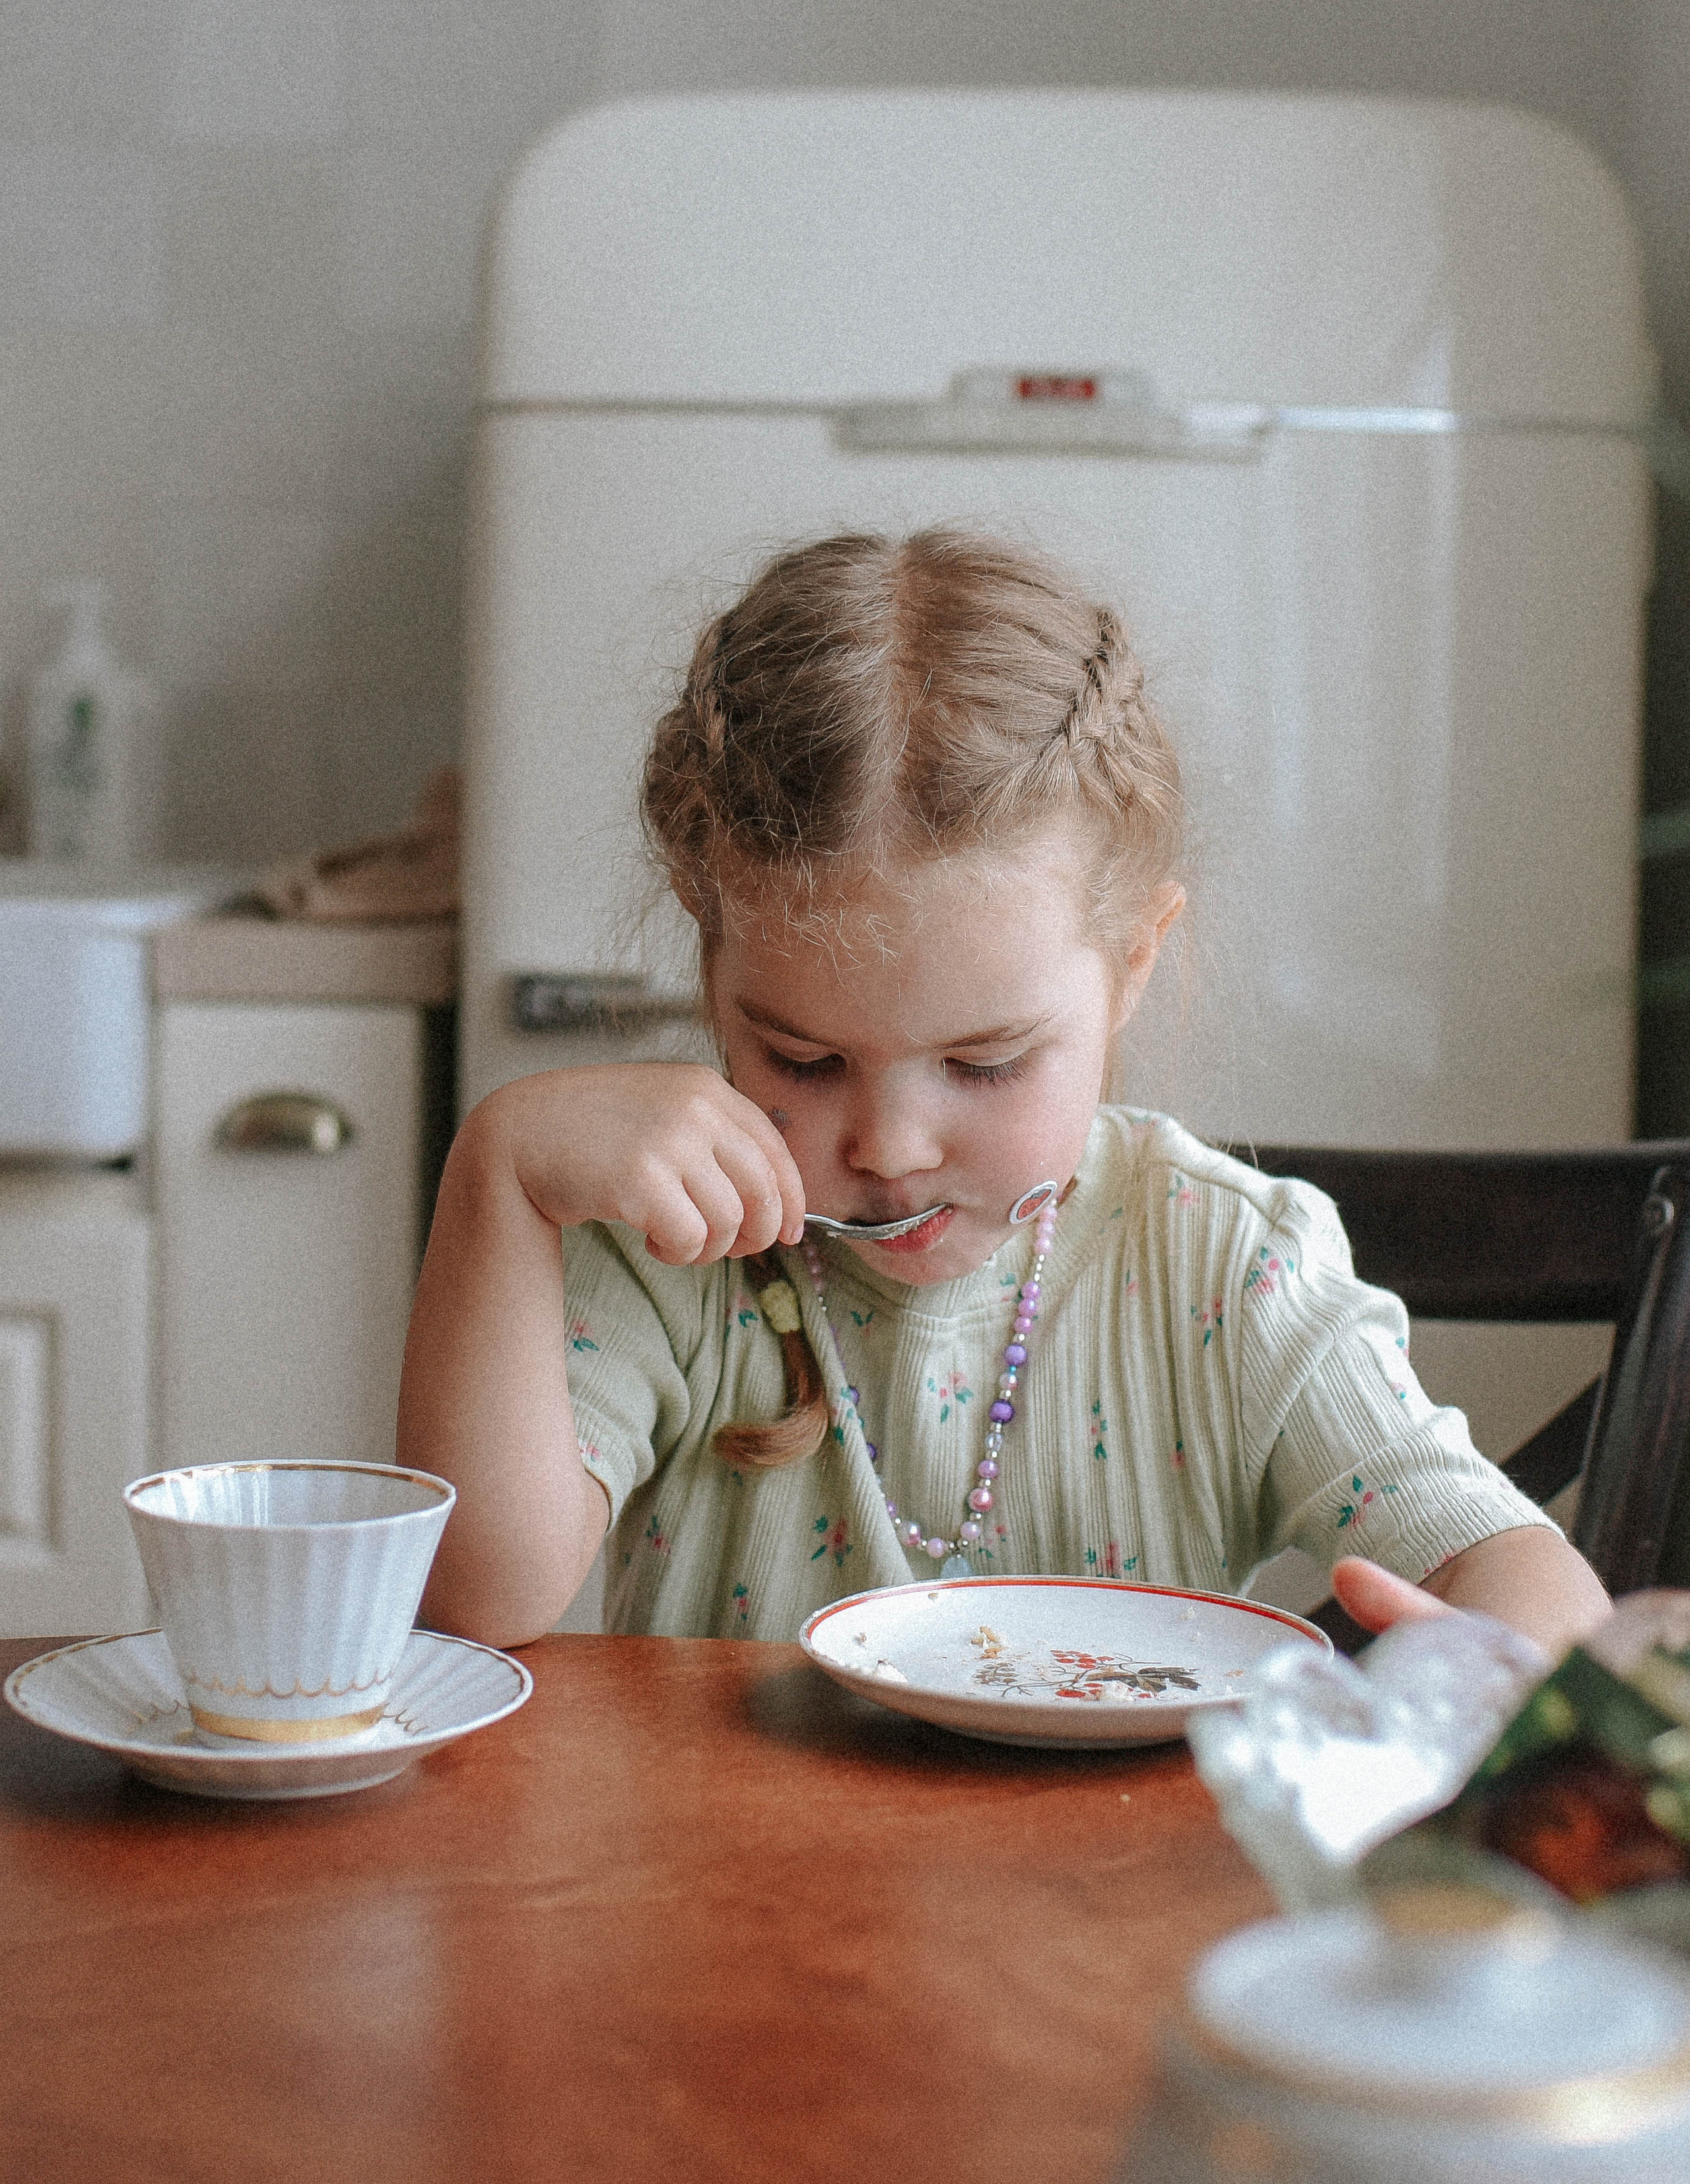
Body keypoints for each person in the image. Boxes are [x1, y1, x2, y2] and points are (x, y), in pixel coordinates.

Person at [398, 528, 1611, 1658]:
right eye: (802, 1062)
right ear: (714, 980)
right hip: (726, 1890)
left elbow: (1517, 1571)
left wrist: (1493, 1656)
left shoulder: (1229, 1272)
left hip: (1124, 1895)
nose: (890, 1143)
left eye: (984, 1064)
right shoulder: (674, 1249)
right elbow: (476, 1596)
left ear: (1132, 964)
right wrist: (494, 1177)